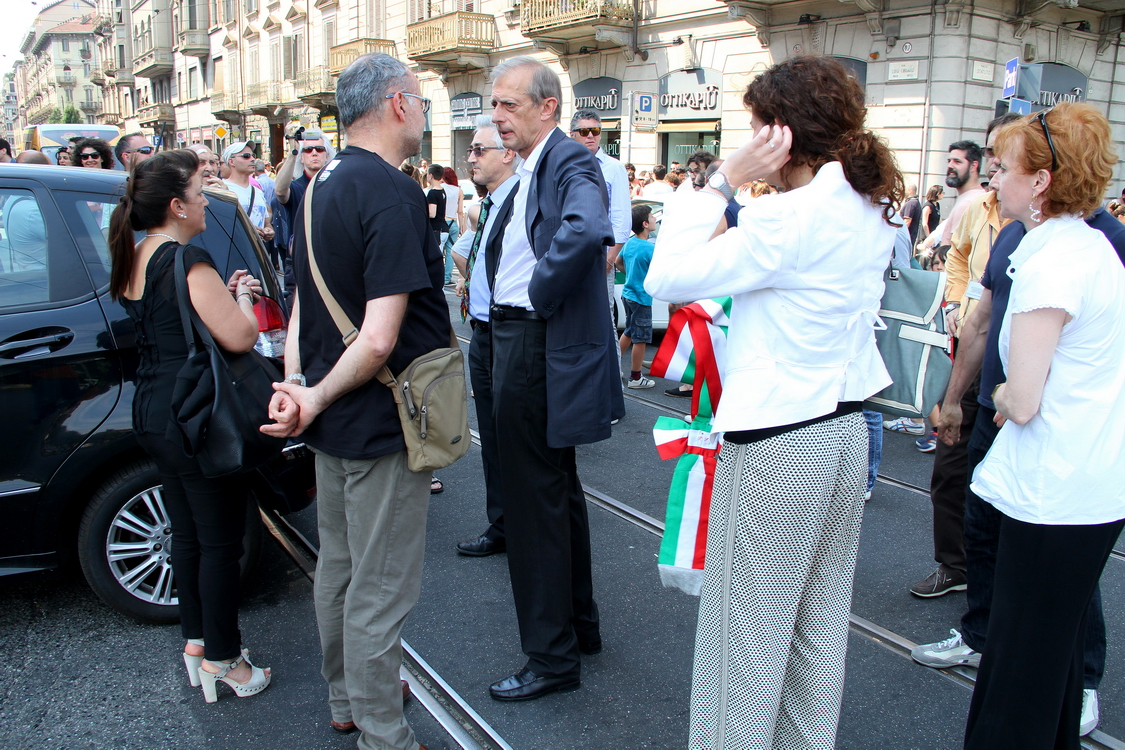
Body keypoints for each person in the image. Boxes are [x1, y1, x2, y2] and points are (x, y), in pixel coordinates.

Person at [645, 56, 902, 750]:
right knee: (815, 638)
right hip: (846, 430)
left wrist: (722, 178)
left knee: (742, 648)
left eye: (757, 125)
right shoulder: (869, 202)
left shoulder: (787, 218)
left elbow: (664, 277)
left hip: (781, 443)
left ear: (778, 134)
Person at [913, 104, 1125, 741]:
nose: (991, 181)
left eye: (1002, 168)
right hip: (1085, 483)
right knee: (1048, 667)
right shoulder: (1088, 247)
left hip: (1051, 489)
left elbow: (1023, 398)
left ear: (1042, 182)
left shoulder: (1052, 258)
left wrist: (999, 395)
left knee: (1018, 675)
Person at [260, 52, 440, 750]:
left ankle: (347, 699)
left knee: (336, 568)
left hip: (334, 421)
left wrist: (301, 384)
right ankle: (382, 733)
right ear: (396, 103)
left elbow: (305, 296)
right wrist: (315, 393)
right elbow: (378, 338)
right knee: (380, 589)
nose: (423, 112)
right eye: (420, 100)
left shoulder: (321, 182)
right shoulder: (389, 192)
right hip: (378, 420)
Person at [107, 149, 270, 703]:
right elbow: (241, 338)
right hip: (194, 412)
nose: (207, 200)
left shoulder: (134, 255)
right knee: (220, 543)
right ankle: (226, 661)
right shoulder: (186, 257)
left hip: (153, 409)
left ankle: (197, 643)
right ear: (177, 206)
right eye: (201, 191)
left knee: (189, 536)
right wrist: (242, 299)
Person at [485, 55, 623, 701]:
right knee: (554, 493)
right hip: (521, 340)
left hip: (531, 342)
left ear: (546, 107)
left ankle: (550, 658)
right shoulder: (537, 164)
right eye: (494, 103)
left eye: (508, 104)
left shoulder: (568, 158)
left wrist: (537, 294)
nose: (496, 114)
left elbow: (588, 227)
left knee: (533, 504)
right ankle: (576, 631)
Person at [908, 114, 1022, 600]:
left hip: (1019, 372)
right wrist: (955, 301)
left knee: (1012, 486)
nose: (994, 164)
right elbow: (958, 256)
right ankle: (956, 567)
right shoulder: (981, 208)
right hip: (972, 357)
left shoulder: (1050, 224)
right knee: (952, 470)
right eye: (992, 153)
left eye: (1003, 155)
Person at [451, 115, 519, 558]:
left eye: (479, 150)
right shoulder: (489, 203)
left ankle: (519, 526)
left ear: (508, 153)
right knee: (493, 437)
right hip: (482, 332)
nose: (470, 157)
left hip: (507, 335)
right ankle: (503, 524)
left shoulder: (519, 200)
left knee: (512, 437)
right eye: (471, 150)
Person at [569, 109, 630, 314]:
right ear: (573, 134)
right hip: (568, 255)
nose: (590, 136)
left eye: (595, 131)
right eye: (584, 131)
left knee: (602, 319)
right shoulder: (566, 165)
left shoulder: (614, 168)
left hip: (600, 257)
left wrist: (609, 259)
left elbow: (621, 218)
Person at [617, 204, 656, 389]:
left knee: (630, 331)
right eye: (652, 216)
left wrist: (630, 273)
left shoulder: (630, 243)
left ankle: (615, 367)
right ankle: (636, 377)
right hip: (642, 297)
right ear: (645, 224)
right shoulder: (650, 249)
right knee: (641, 338)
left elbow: (618, 261)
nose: (655, 219)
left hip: (628, 294)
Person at [221, 141, 276, 260]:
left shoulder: (257, 191)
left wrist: (269, 230)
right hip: (235, 254)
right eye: (246, 156)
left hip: (258, 254)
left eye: (253, 156)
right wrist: (247, 229)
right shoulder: (223, 189)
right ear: (231, 161)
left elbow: (266, 221)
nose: (252, 159)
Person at [941, 140, 985, 247]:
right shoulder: (975, 197)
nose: (950, 166)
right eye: (949, 161)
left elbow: (954, 251)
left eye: (957, 161)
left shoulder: (968, 203)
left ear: (973, 166)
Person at [441, 166, 464, 285]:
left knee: (439, 250)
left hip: (442, 222)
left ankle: (438, 277)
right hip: (453, 222)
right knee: (450, 252)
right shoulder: (458, 190)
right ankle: (447, 278)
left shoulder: (440, 188)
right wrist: (462, 227)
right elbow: (460, 211)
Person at [424, 164, 448, 247]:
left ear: (431, 175)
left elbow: (432, 213)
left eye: (427, 174)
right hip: (443, 228)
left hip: (436, 230)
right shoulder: (442, 190)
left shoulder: (432, 193)